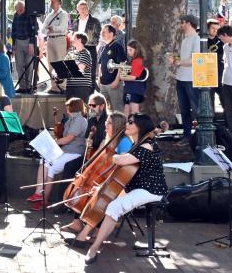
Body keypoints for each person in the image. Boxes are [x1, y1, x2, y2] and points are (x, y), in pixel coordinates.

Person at [76, 113, 167, 265]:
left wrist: (114, 156)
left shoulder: (147, 145)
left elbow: (121, 160)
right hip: (138, 188)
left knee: (114, 206)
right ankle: (86, 235)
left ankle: (94, 247)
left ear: (140, 127)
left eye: (131, 122)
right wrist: (103, 187)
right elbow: (127, 173)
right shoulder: (137, 145)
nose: (127, 124)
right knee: (106, 199)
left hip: (151, 190)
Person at [60, 111, 133, 237]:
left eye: (109, 123)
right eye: (106, 122)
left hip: (115, 181)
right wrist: (86, 172)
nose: (106, 124)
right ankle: (77, 222)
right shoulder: (108, 140)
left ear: (116, 125)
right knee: (84, 188)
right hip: (103, 176)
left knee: (98, 193)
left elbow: (124, 167)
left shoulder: (124, 142)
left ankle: (96, 227)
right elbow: (96, 159)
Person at [27, 98, 88, 207]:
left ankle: (42, 198)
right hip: (65, 151)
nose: (67, 109)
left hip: (74, 152)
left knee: (51, 167)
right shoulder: (70, 120)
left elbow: (69, 138)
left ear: (73, 107)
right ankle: (40, 196)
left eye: (68, 107)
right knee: (44, 161)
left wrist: (53, 143)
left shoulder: (80, 120)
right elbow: (63, 137)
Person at [169, 15, 200, 142]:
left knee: (196, 107)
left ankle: (200, 134)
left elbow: (195, 59)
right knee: (184, 108)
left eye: (182, 23)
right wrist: (176, 60)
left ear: (188, 23)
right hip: (181, 78)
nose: (180, 25)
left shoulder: (196, 39)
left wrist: (178, 62)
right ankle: (187, 135)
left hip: (191, 78)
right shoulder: (185, 39)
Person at [42, 0, 69, 92]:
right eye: (51, 2)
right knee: (50, 64)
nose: (51, 4)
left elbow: (63, 27)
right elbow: (43, 29)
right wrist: (49, 29)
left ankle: (62, 86)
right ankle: (53, 86)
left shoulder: (64, 14)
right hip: (50, 40)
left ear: (59, 3)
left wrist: (52, 28)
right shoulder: (49, 15)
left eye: (53, 2)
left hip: (59, 39)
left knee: (60, 63)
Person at [96, 25, 126, 111]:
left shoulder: (117, 46)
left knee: (117, 109)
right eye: (102, 31)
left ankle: (120, 125)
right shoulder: (103, 47)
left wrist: (117, 80)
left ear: (111, 33)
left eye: (104, 32)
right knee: (101, 109)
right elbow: (100, 64)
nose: (102, 33)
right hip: (103, 84)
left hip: (114, 83)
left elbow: (122, 63)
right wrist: (99, 79)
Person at [11, 0, 38, 93]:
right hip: (18, 41)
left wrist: (31, 44)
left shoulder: (30, 15)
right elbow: (13, 30)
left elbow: (34, 31)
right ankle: (22, 86)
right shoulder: (15, 15)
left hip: (28, 42)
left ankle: (29, 86)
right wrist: (13, 45)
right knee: (19, 65)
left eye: (20, 10)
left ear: (24, 8)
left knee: (29, 65)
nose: (18, 12)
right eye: (17, 10)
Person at [75, 0, 101, 85]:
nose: (83, 10)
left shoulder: (95, 21)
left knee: (91, 73)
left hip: (90, 48)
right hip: (77, 50)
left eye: (85, 8)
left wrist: (95, 45)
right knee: (78, 71)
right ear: (77, 9)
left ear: (88, 9)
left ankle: (91, 93)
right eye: (81, 8)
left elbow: (98, 36)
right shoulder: (75, 22)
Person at [120, 40, 147, 116]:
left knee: (134, 113)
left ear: (136, 50)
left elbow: (133, 77)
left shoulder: (137, 61)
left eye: (130, 50)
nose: (128, 52)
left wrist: (122, 76)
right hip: (130, 89)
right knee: (126, 112)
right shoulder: (133, 61)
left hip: (134, 90)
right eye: (127, 49)